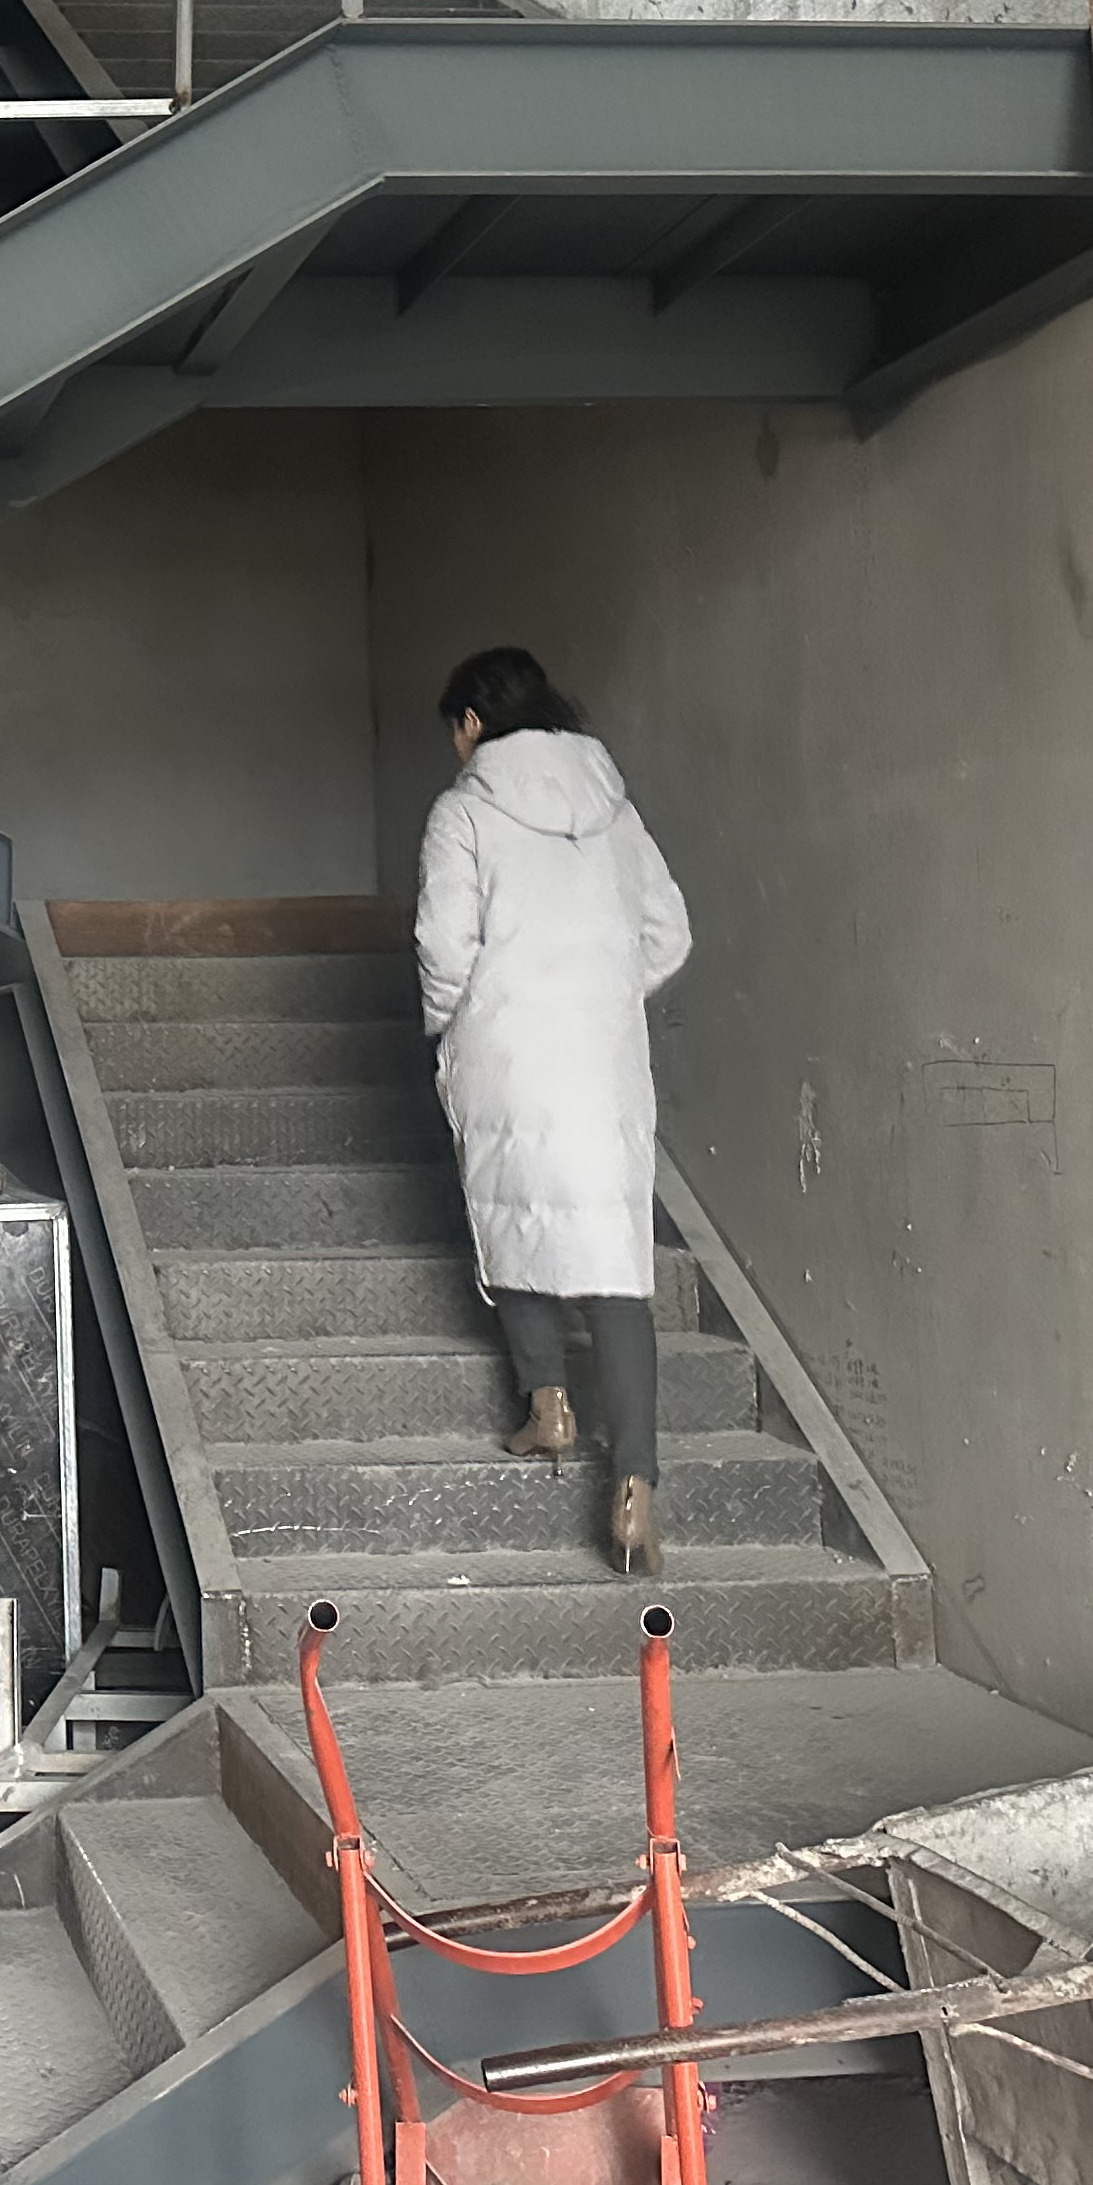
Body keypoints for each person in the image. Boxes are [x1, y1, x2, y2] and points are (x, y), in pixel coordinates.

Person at [414, 646, 695, 1574]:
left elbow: (444, 946)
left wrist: (454, 1021)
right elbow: (667, 933)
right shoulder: (614, 808)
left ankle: (549, 1407)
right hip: (602, 1057)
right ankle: (636, 1490)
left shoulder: (463, 812)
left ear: (470, 724)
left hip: (510, 1050)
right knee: (615, 1262)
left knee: (515, 1215)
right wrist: (601, 991)